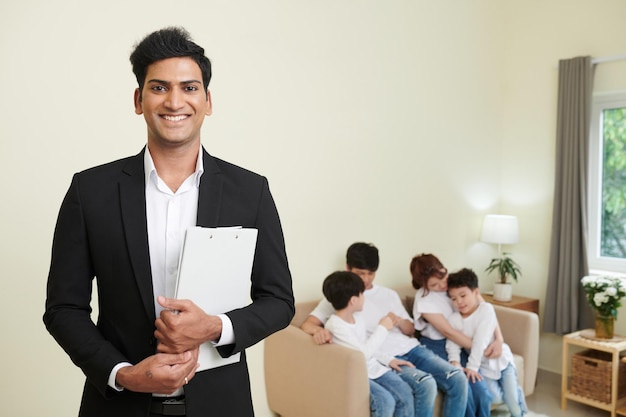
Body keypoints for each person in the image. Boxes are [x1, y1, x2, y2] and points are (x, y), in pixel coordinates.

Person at [43, 27, 294, 417]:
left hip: (220, 404)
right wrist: (122, 373)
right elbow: (63, 308)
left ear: (207, 101)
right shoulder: (90, 191)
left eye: (189, 88)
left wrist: (215, 327)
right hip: (118, 405)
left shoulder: (251, 191)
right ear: (138, 100)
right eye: (159, 88)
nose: (175, 101)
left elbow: (279, 301)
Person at [301, 242, 466, 417]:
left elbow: (410, 329)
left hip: (411, 348)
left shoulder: (388, 295)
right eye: (360, 273)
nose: (365, 279)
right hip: (383, 355)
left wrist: (398, 321)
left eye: (370, 274)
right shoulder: (342, 295)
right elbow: (308, 324)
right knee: (425, 384)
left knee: (458, 379)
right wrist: (317, 331)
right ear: (348, 268)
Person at [410, 254, 499, 417]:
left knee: (481, 391)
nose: (443, 285)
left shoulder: (457, 282)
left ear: (443, 269)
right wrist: (480, 346)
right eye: (434, 285)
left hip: (462, 343)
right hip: (438, 346)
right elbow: (448, 331)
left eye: (443, 277)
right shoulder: (423, 299)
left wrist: (499, 340)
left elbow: (485, 310)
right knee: (466, 391)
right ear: (424, 285)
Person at [323, 270, 420, 417]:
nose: (364, 298)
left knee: (405, 392)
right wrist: (383, 328)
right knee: (385, 400)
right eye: (362, 294)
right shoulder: (335, 326)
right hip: (357, 374)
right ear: (353, 300)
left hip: (373, 368)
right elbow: (362, 354)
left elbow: (365, 345)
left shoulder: (358, 318)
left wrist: (389, 360)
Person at [445, 268, 527, 417]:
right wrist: (455, 361)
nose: (459, 302)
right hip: (484, 365)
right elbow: (453, 343)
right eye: (454, 298)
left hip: (502, 360)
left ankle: (517, 402)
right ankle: (516, 391)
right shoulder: (454, 319)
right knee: (495, 397)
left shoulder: (486, 310)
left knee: (512, 402)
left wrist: (471, 367)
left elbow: (480, 341)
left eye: (463, 295)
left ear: (476, 292)